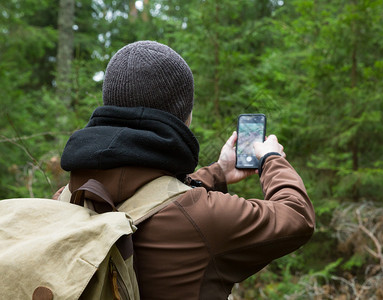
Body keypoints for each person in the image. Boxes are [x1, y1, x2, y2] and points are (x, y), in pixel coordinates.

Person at [58, 41, 315, 299]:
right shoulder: (202, 218)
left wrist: (219, 172)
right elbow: (297, 216)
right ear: (185, 117)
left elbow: (151, 195)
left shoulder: (65, 200)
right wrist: (271, 158)